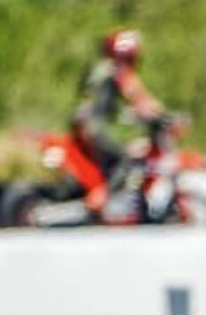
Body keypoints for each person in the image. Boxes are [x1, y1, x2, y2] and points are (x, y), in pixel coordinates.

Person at [71, 29, 168, 215]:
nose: (133, 60)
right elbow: (137, 96)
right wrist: (161, 114)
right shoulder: (116, 71)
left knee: (114, 157)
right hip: (94, 127)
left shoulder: (101, 68)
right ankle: (104, 198)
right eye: (131, 56)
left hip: (84, 124)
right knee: (128, 157)